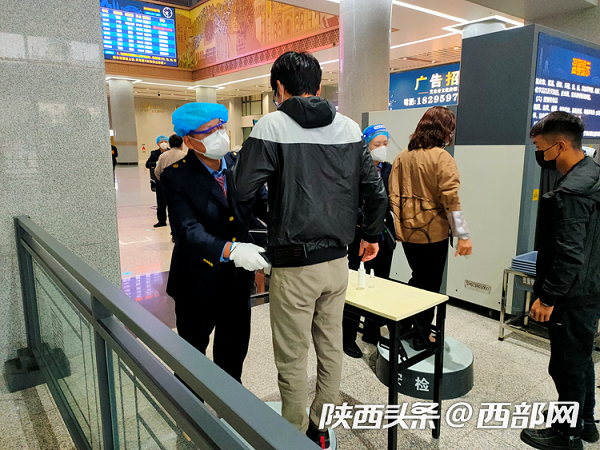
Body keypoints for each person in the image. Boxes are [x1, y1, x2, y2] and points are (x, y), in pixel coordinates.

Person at [228, 51, 387, 449]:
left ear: (279, 88)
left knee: (293, 356)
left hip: (294, 266)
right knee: (330, 346)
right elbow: (375, 191)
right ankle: (321, 424)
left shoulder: (273, 125)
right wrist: (370, 235)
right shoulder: (350, 128)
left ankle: (293, 434)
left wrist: (273, 205)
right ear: (317, 87)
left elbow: (242, 189)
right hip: (338, 263)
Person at [160, 102, 269, 388]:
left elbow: (262, 204)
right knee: (192, 358)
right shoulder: (177, 176)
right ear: (189, 141)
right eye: (209, 131)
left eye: (221, 127)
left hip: (236, 283)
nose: (220, 135)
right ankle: (189, 407)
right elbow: (186, 231)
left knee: (233, 354)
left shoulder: (239, 165)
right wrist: (231, 250)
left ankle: (230, 407)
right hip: (196, 283)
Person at [520, 111, 600, 450]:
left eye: (541, 148)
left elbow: (569, 254)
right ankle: (586, 423)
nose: (540, 155)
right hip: (590, 287)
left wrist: (548, 297)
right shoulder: (593, 174)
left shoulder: (572, 191)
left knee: (565, 367)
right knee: (580, 360)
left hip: (571, 294)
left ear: (561, 145)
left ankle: (567, 435)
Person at [389, 106, 472, 350]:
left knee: (418, 277)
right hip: (433, 232)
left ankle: (405, 324)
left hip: (407, 232)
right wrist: (463, 234)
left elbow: (393, 194)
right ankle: (421, 335)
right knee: (430, 286)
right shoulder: (441, 157)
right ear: (444, 130)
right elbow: (451, 199)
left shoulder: (402, 156)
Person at [343, 124, 396, 359]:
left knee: (380, 282)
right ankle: (347, 336)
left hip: (384, 234)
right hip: (359, 234)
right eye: (377, 144)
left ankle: (373, 330)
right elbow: (347, 203)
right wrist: (368, 220)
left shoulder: (389, 169)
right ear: (366, 145)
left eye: (385, 144)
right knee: (356, 284)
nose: (382, 148)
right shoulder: (353, 170)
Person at [146, 135, 170, 227]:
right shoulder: (154, 154)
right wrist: (156, 163)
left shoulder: (171, 152)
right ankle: (161, 220)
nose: (163, 143)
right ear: (158, 144)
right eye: (161, 142)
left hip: (171, 180)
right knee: (160, 201)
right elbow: (148, 164)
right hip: (159, 179)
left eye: (165, 141)